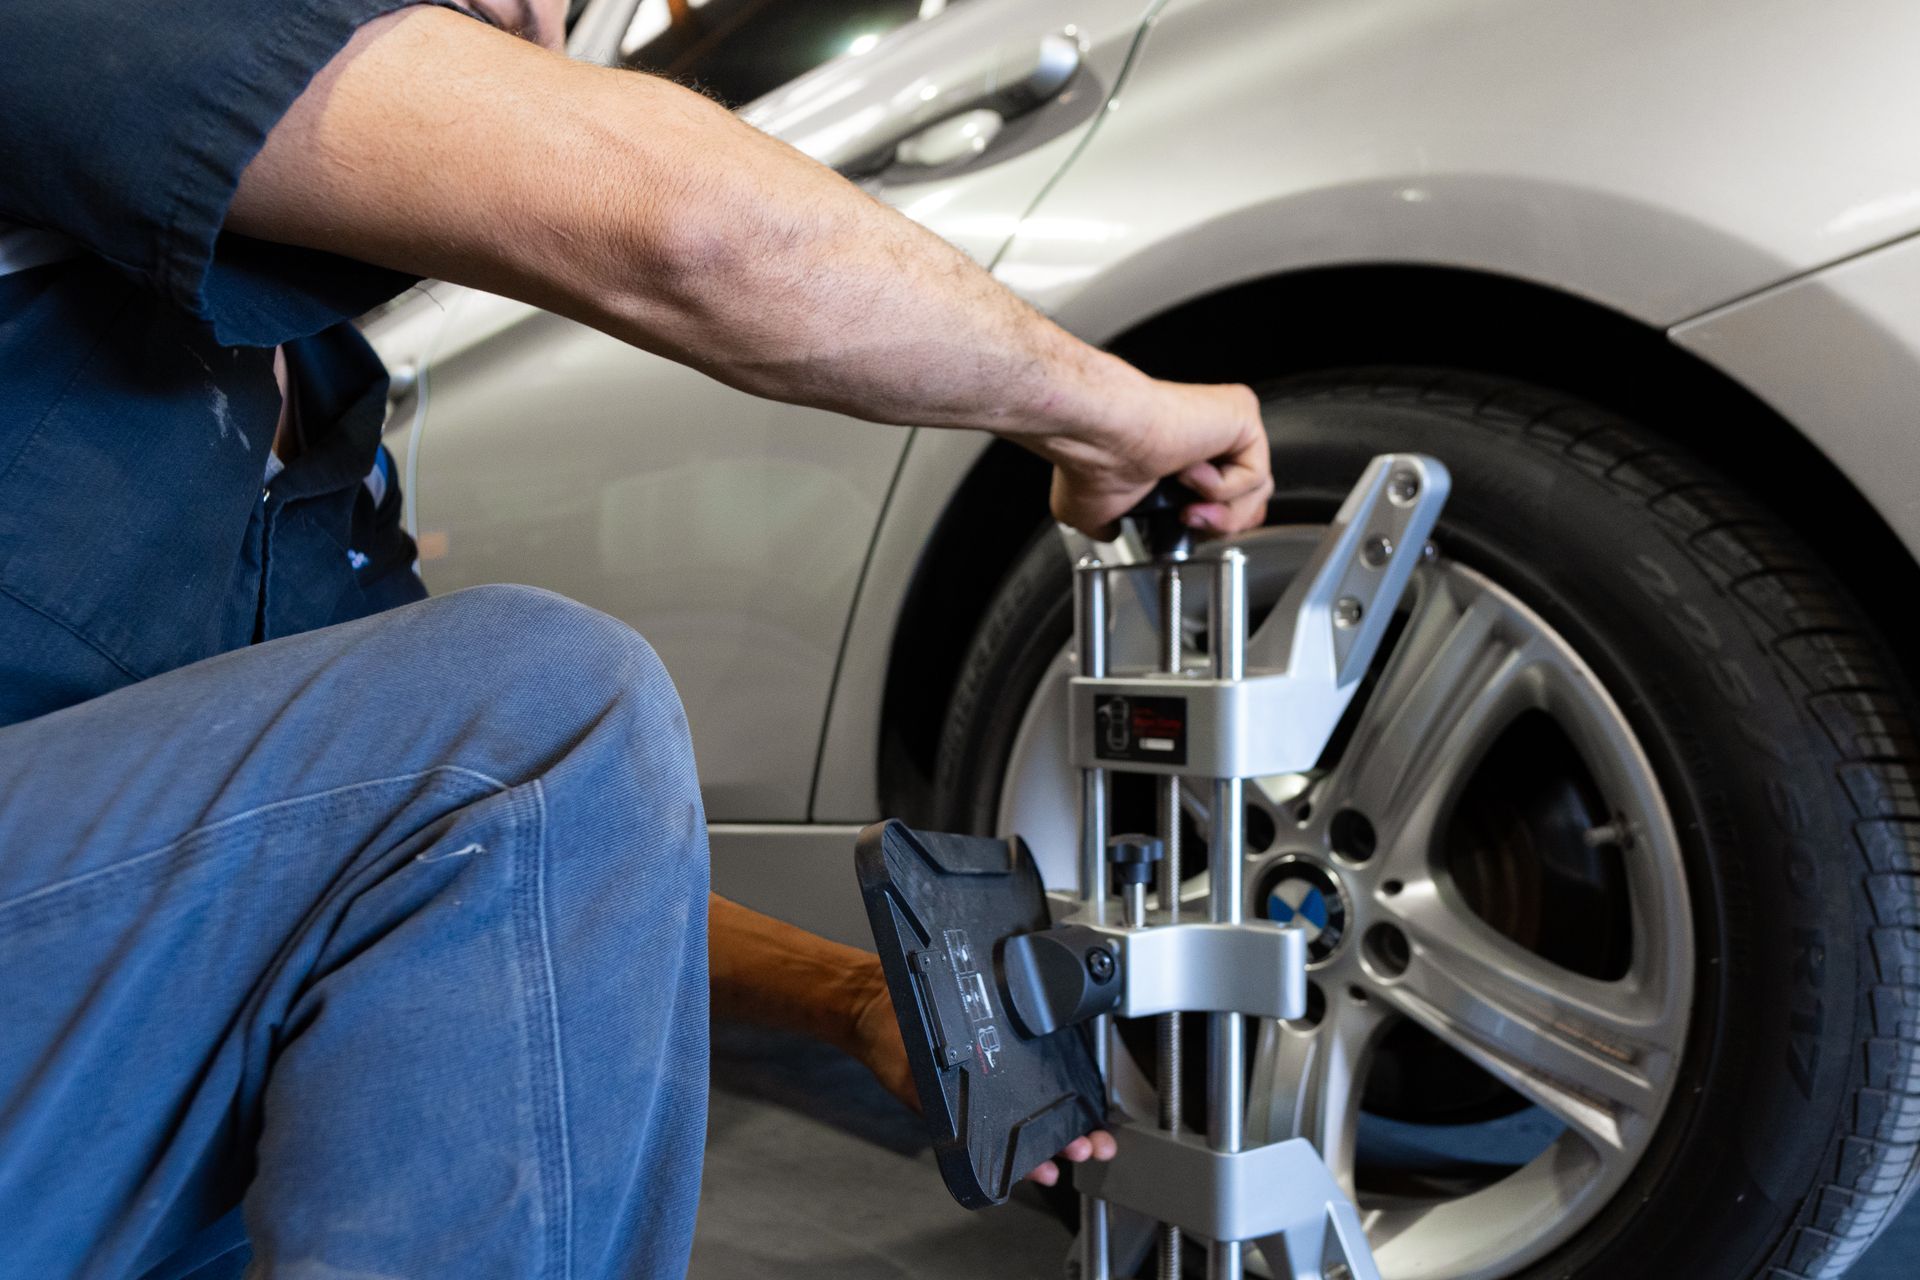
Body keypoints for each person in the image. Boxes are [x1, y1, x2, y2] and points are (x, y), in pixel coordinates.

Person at [0, 0, 1274, 1275]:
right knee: (545, 701)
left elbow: (492, 861)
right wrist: (1112, 412)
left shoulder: (320, 418)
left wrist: (853, 999)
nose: (527, 13)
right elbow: (691, 230)